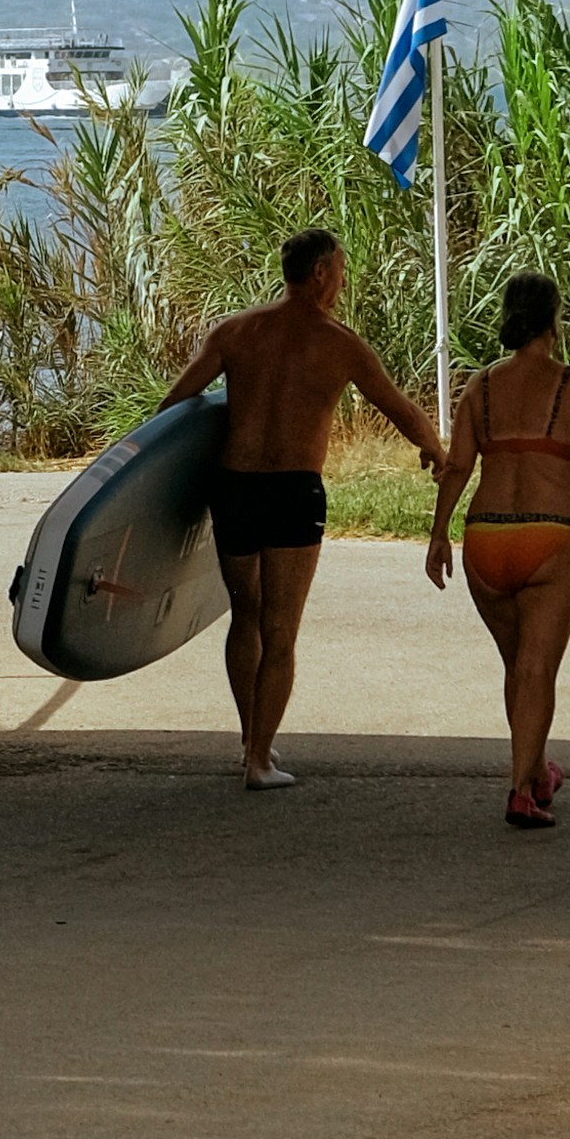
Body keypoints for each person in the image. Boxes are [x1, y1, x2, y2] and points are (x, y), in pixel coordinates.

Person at [161, 229, 444, 790]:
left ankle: (250, 744)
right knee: (281, 630)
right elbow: (398, 408)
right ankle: (260, 761)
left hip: (235, 487)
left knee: (246, 616)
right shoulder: (339, 343)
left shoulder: (235, 331)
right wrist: (436, 450)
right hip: (292, 491)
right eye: (340, 270)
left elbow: (174, 405)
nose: (342, 280)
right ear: (319, 273)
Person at [424, 272, 570, 829]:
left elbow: (459, 467)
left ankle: (538, 771)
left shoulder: (480, 386)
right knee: (537, 669)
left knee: (518, 668)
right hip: (548, 538)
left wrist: (439, 534)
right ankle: (521, 792)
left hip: (485, 540)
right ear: (554, 321)